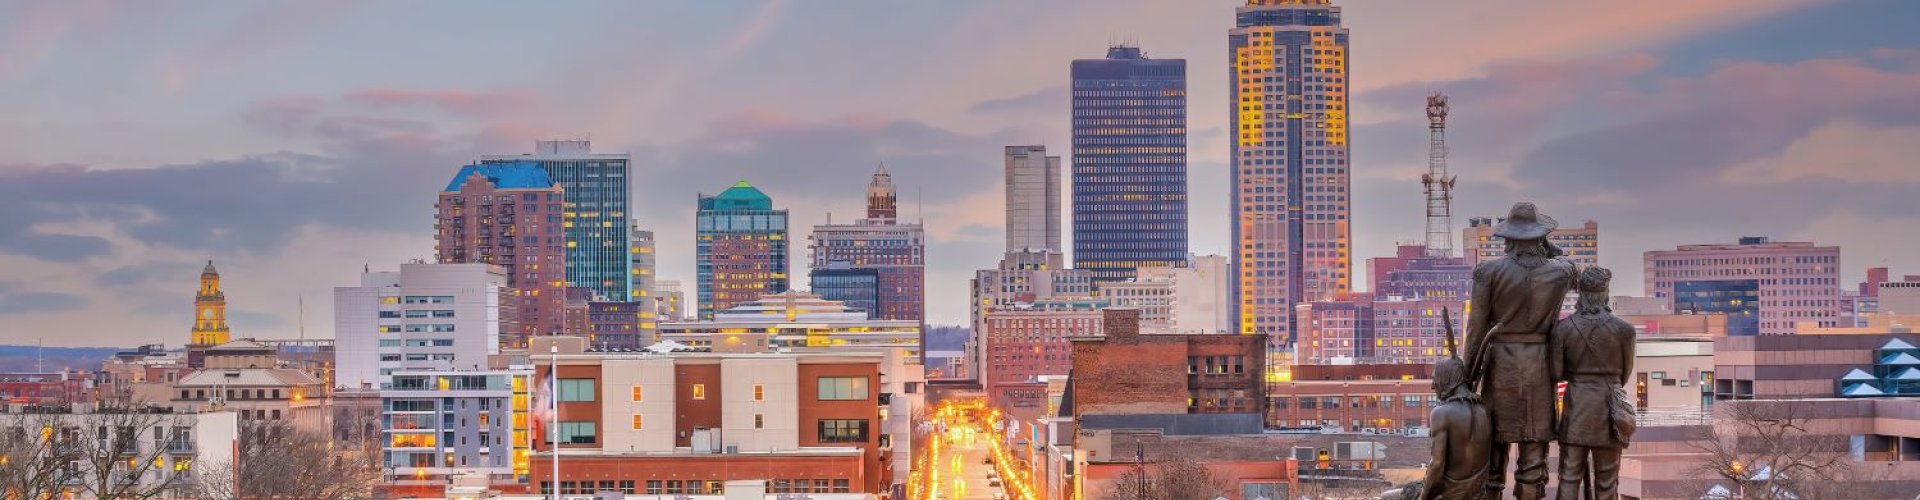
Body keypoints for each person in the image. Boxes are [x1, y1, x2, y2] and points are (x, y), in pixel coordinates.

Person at [1464, 202, 1576, 500]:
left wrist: (1467, 379)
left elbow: (1475, 331)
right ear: (1541, 237)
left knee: (1494, 449)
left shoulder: (1488, 272)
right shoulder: (1562, 273)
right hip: (1540, 366)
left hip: (1501, 366)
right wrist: (1544, 246)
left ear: (1508, 238)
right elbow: (1566, 263)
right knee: (1533, 453)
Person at [1551, 266, 1637, 499]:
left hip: (1576, 407)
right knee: (1607, 480)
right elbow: (1624, 374)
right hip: (1609, 410)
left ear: (1582, 293)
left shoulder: (1563, 329)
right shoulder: (1624, 330)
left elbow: (1557, 373)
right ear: (1606, 292)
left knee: (1568, 475)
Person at [1421, 310, 1491, 500]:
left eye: (1436, 379)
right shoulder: (1483, 410)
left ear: (1447, 379)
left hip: (1450, 495)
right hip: (1478, 494)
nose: (1432, 385)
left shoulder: (1441, 414)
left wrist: (1423, 496)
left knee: (1389, 496)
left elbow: (1436, 465)